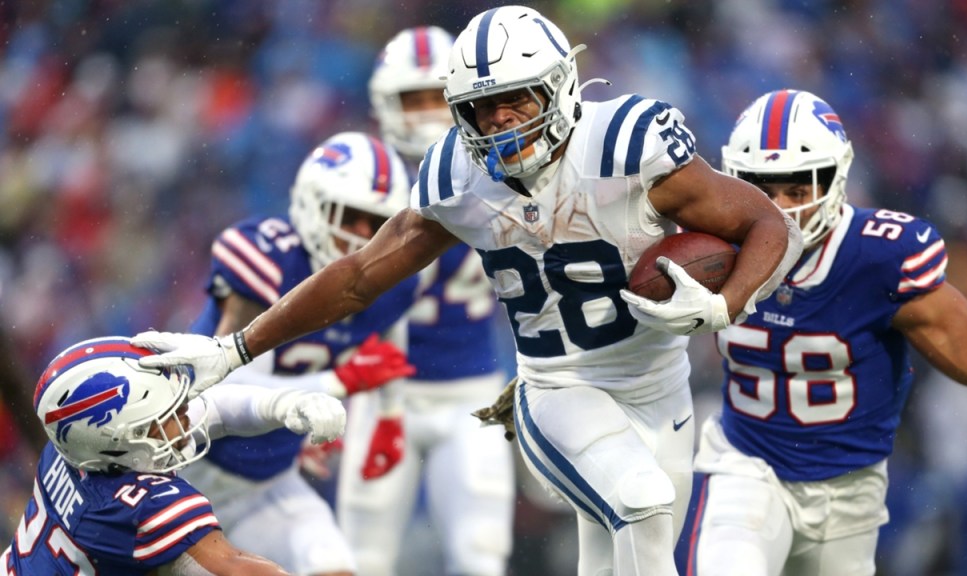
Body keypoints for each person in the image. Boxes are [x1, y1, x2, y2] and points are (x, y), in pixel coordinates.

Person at [130, 6, 802, 575]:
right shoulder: (459, 177)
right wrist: (236, 348)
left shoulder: (627, 148)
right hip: (560, 387)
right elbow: (359, 277)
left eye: (517, 99)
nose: (502, 121)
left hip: (662, 385)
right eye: (482, 108)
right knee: (644, 501)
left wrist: (725, 303)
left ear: (560, 87)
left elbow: (766, 224)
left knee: (629, 552)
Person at [686, 89, 967, 576]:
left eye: (797, 190)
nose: (779, 209)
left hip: (848, 492)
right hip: (746, 467)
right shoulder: (705, 248)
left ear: (836, 178)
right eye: (762, 190)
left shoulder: (878, 260)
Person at [180, 130, 419, 576]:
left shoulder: (392, 287)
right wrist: (336, 384)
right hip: (181, 469)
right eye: (350, 216)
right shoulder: (269, 259)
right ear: (313, 204)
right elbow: (223, 388)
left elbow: (387, 343)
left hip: (265, 481)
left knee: (334, 565)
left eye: (376, 223)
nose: (362, 236)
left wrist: (389, 416)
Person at [338, 26, 514, 576]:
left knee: (480, 555)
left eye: (436, 97)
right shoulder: (360, 180)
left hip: (472, 391)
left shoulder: (503, 169)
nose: (425, 115)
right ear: (383, 105)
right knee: (361, 558)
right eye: (411, 100)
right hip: (381, 392)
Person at [2, 335, 348, 575]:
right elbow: (234, 568)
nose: (185, 416)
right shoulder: (134, 507)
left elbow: (214, 409)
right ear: (118, 440)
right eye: (168, 414)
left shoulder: (76, 446)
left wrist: (285, 404)